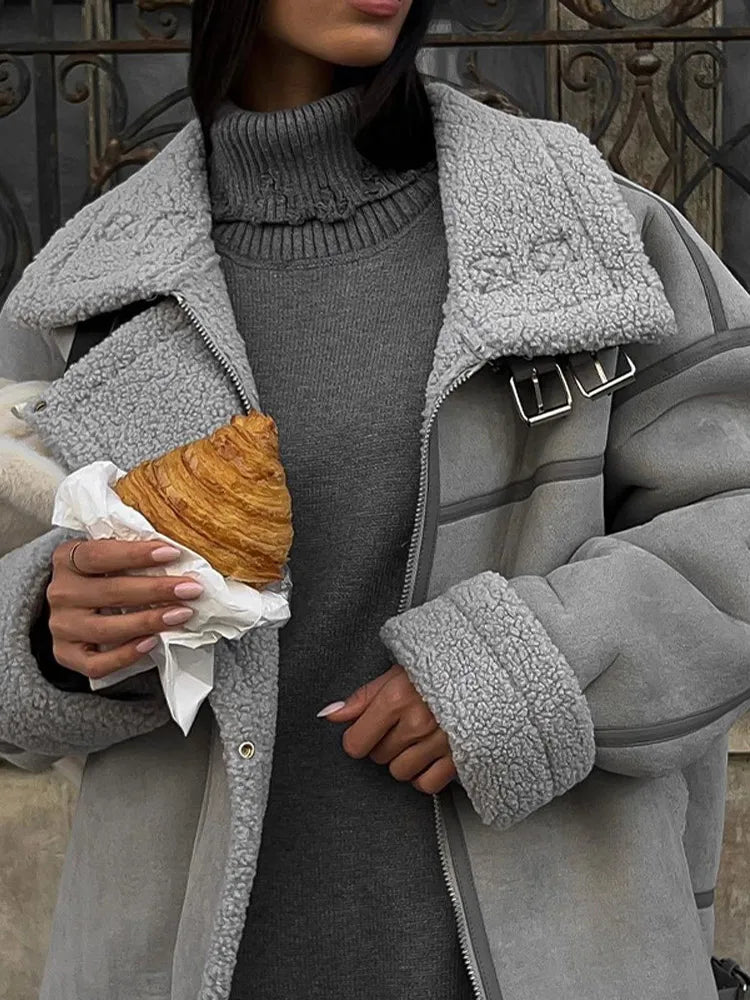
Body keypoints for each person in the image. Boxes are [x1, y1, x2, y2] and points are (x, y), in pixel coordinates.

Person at [0, 0, 749, 997]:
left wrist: (529, 667)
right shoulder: (82, 298)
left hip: (557, 950)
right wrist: (49, 634)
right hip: (180, 958)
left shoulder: (588, 231)